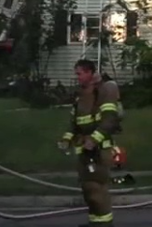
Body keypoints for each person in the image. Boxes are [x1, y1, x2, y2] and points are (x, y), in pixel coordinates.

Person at [58, 60, 122, 227]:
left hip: (99, 151)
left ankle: (105, 224)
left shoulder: (104, 91)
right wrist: (66, 140)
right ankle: (95, 223)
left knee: (96, 190)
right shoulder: (81, 95)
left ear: (89, 73)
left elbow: (110, 120)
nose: (77, 77)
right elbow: (74, 122)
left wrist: (93, 140)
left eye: (79, 74)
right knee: (88, 191)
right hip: (84, 153)